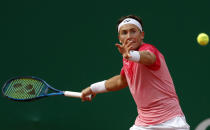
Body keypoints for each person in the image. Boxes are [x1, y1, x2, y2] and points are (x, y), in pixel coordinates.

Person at [81, 15, 190, 130]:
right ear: (119, 38)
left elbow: (149, 57)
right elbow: (121, 80)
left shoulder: (148, 50)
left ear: (142, 35)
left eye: (133, 31)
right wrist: (93, 88)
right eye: (124, 33)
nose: (129, 36)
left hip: (171, 123)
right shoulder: (127, 57)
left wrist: (131, 55)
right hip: (143, 124)